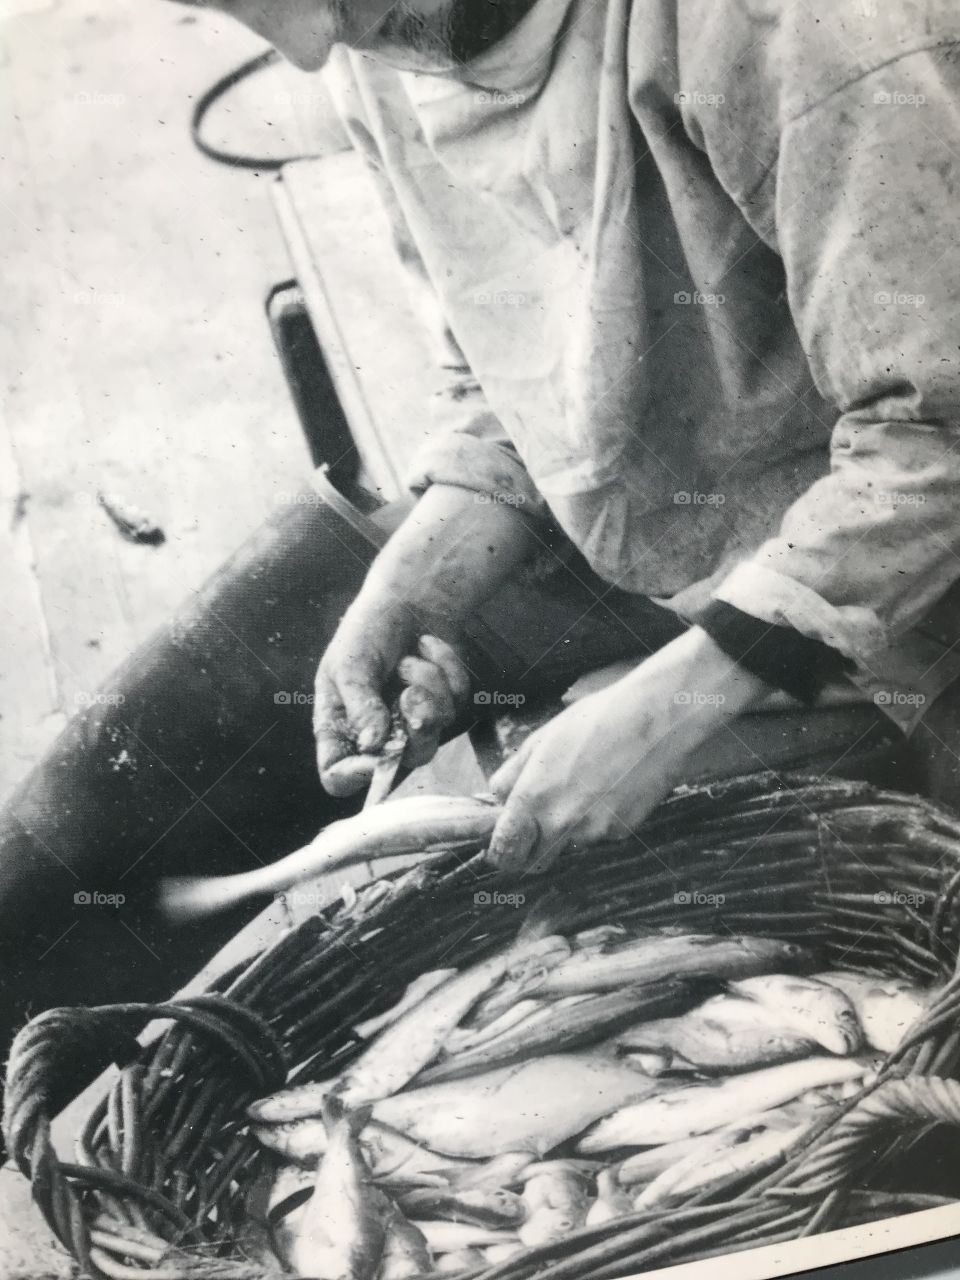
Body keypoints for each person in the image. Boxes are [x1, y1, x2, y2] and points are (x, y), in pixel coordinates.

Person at [177, 0, 960, 871]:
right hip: (672, 540)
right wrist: (419, 584)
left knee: (515, 854)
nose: (311, 49)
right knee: (188, 740)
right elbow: (499, 374)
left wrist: (669, 708)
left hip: (913, 585)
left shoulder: (790, 27)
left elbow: (937, 433)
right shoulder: (383, 37)